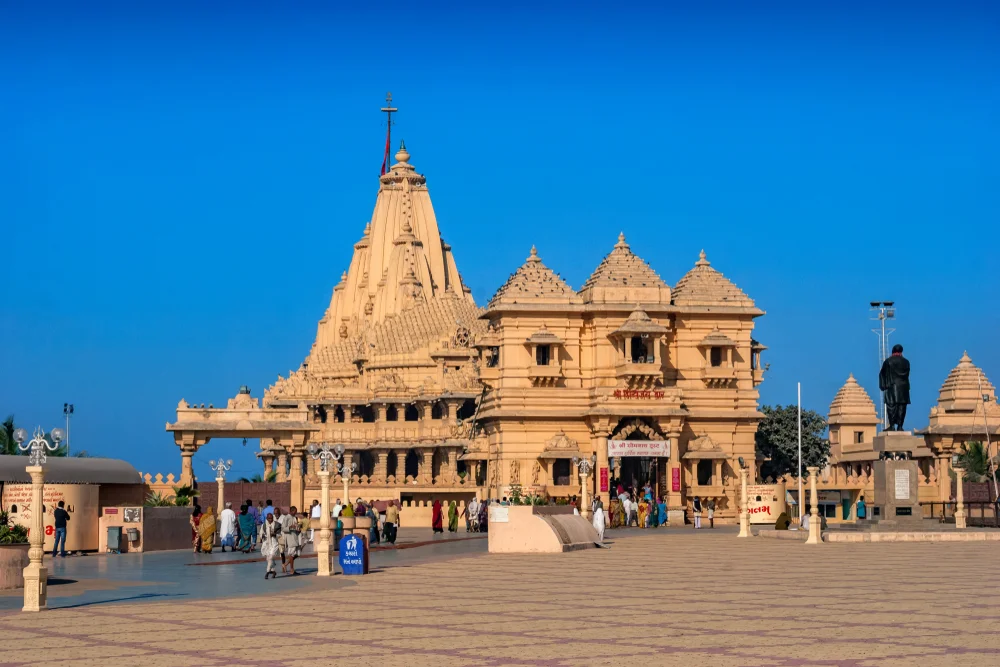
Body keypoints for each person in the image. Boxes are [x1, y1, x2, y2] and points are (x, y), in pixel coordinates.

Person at [879, 343, 911, 431]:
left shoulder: (888, 361)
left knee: (891, 407)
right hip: (904, 388)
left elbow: (882, 374)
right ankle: (900, 426)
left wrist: (883, 386)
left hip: (892, 387)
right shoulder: (906, 362)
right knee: (902, 407)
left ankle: (892, 426)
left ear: (893, 351)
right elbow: (907, 375)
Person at [279, 506, 301, 575]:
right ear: (292, 511)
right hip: (290, 537)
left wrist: (298, 529)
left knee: (297, 554)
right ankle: (292, 569)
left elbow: (295, 526)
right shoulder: (286, 518)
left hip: (295, 536)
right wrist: (290, 527)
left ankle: (285, 564)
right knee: (291, 554)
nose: (296, 512)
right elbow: (283, 528)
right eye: (295, 511)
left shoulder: (294, 518)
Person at [259, 512, 281, 579]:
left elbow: (280, 534)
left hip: (274, 543)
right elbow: (261, 533)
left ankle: (267, 572)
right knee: (268, 559)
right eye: (269, 518)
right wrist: (263, 536)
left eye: (271, 518)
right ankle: (273, 571)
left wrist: (274, 534)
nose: (270, 520)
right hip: (267, 544)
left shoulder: (277, 525)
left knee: (271, 557)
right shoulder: (264, 525)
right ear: (267, 518)